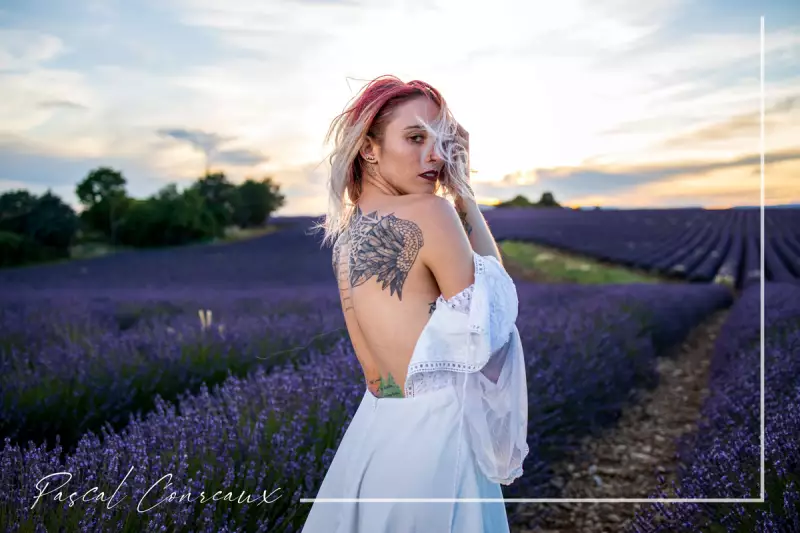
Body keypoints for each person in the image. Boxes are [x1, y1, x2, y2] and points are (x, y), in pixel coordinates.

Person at [304, 75, 528, 533]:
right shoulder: (433, 213)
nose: (437, 156)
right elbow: (493, 316)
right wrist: (463, 196)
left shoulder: (346, 241)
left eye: (443, 142)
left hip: (373, 442)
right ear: (369, 147)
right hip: (438, 444)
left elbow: (376, 376)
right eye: (415, 137)